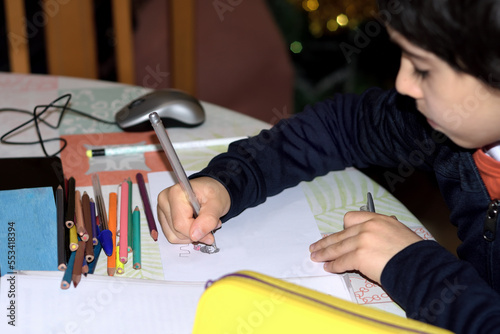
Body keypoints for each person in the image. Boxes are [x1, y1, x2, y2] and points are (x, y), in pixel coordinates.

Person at [156, 1, 500, 332]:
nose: (402, 84)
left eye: (423, 68)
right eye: (404, 56)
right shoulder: (445, 127)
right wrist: (228, 182)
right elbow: (339, 127)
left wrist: (409, 263)